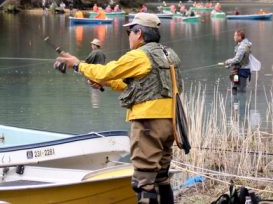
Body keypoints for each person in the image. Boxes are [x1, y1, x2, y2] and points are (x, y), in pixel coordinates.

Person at [56, 13, 181, 204]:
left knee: (143, 181)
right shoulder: (168, 53)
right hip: (171, 122)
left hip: (148, 124)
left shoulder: (139, 55)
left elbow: (106, 72)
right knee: (161, 177)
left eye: (130, 32)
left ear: (139, 34)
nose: (129, 36)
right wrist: (105, 84)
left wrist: (78, 65)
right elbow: (142, 86)